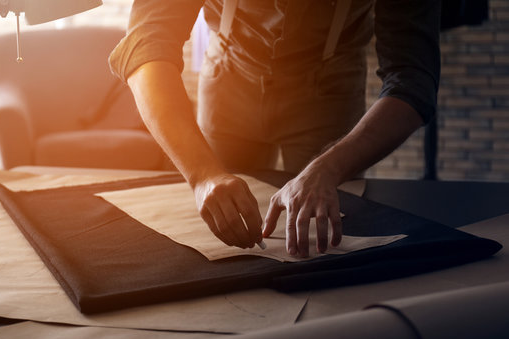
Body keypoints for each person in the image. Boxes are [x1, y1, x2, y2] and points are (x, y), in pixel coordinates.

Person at [109, 0, 440, 258]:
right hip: (228, 78)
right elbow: (145, 50)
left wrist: (329, 168)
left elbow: (412, 82)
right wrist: (203, 175)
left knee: (328, 242)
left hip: (327, 88)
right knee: (210, 231)